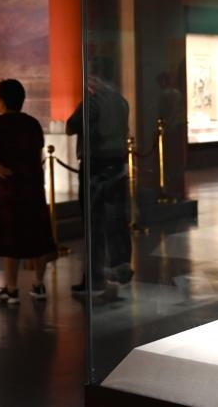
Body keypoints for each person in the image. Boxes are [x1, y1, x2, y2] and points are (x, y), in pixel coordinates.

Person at [0, 79, 56, 304]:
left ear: (1, 100)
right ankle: (39, 285)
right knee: (37, 235)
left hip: (9, 188)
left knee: (9, 236)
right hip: (33, 187)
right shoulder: (33, 123)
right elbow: (38, 158)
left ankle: (11, 289)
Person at [66, 57, 132, 296]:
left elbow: (70, 126)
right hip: (117, 164)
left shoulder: (92, 103)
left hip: (95, 166)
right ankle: (120, 268)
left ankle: (93, 278)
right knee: (116, 220)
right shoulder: (122, 102)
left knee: (93, 222)